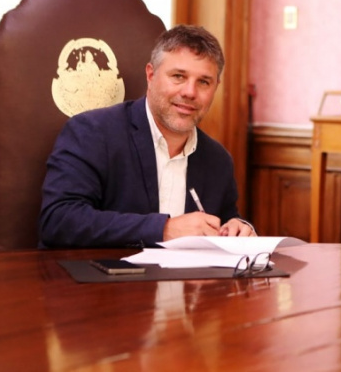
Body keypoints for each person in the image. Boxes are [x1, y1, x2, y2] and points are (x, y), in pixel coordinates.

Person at [39, 25, 255, 248]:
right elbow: (58, 220)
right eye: (178, 76)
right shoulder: (91, 132)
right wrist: (164, 229)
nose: (190, 92)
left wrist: (237, 228)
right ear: (151, 75)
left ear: (216, 87)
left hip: (184, 282)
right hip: (97, 278)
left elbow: (227, 219)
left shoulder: (218, 160)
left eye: (203, 82)